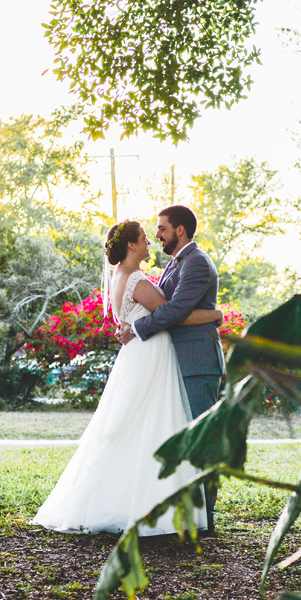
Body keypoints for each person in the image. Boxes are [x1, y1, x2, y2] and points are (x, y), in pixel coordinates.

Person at [33, 220, 220, 536]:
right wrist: (216, 315)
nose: (150, 242)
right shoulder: (136, 279)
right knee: (154, 424)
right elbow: (174, 314)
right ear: (132, 245)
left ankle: (134, 501)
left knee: (134, 427)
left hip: (138, 356)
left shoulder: (122, 277)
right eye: (145, 238)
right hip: (150, 356)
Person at [118, 205, 226, 533]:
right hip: (179, 361)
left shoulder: (196, 262)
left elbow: (176, 310)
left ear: (179, 230)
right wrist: (214, 315)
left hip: (197, 362)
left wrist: (136, 329)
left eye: (162, 228)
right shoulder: (175, 263)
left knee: (201, 439)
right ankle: (189, 510)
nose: (157, 235)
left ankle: (205, 518)